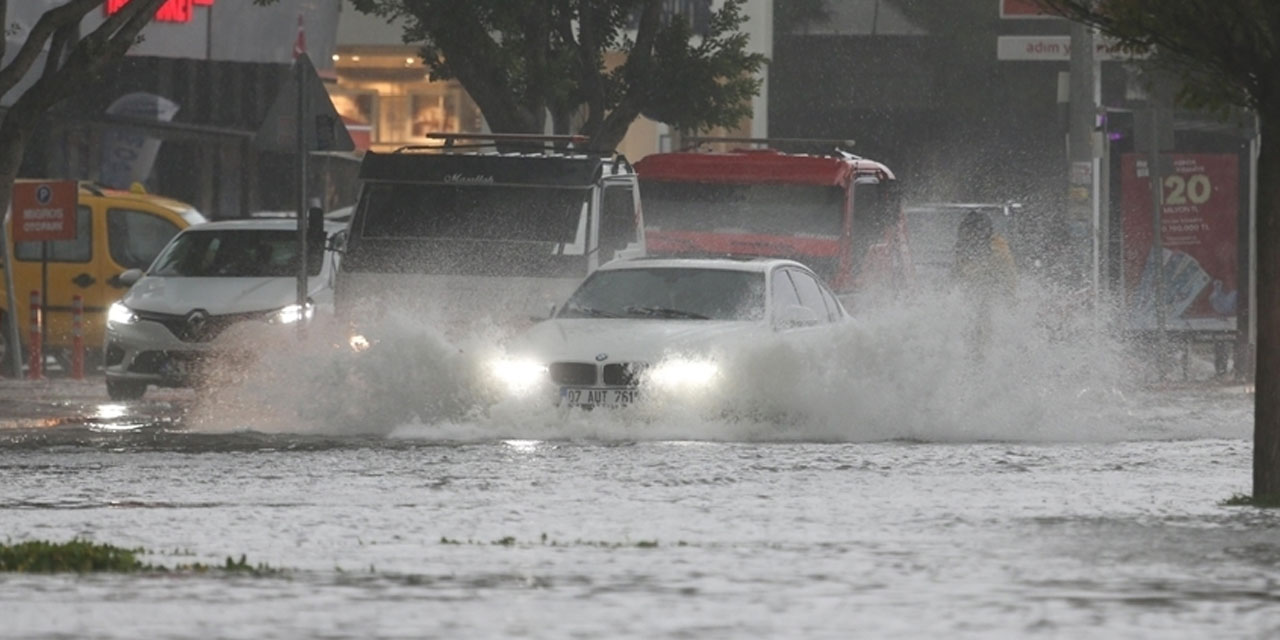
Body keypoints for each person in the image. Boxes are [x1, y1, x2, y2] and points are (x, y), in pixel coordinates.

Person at [951, 210, 1017, 360]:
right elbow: (956, 277)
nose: (966, 235)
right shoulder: (964, 248)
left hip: (994, 302)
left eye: (969, 231)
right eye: (965, 231)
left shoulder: (997, 248)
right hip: (974, 303)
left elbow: (1005, 280)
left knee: (983, 336)